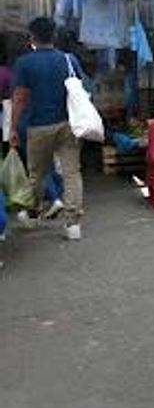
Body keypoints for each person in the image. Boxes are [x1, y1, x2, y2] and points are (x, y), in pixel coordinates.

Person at [10, 17, 85, 240]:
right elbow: (79, 89)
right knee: (72, 173)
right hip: (67, 124)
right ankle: (73, 225)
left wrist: (13, 127)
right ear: (54, 36)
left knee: (37, 174)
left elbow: (20, 98)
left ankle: (32, 212)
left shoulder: (24, 63)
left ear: (32, 37)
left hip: (37, 127)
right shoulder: (69, 59)